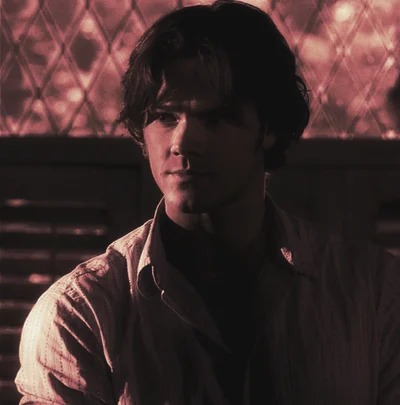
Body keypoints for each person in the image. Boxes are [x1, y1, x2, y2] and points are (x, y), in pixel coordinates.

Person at [15, 1, 400, 404]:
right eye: (165, 117)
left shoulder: (372, 295)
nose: (183, 143)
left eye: (214, 119)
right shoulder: (81, 314)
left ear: (268, 129)